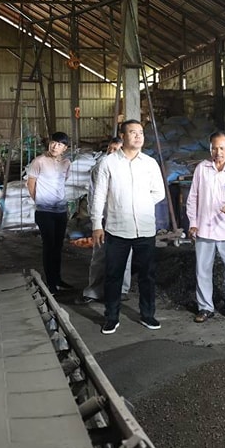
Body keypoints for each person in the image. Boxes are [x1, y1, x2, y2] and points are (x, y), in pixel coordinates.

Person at [90, 120, 166, 335]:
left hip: (145, 229)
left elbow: (159, 192)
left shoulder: (150, 163)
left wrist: (141, 205)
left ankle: (147, 314)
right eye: (133, 132)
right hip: (117, 229)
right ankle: (111, 317)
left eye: (141, 132)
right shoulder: (108, 163)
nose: (138, 136)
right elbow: (99, 196)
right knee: (113, 275)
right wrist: (97, 224)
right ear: (123, 136)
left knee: (147, 275)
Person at [187, 131, 225, 324]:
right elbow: (193, 198)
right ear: (210, 148)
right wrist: (193, 223)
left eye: (222, 148)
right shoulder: (202, 169)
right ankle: (205, 307)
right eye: (214, 148)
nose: (218, 152)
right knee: (203, 270)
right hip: (204, 229)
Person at [80, 137, 132, 304]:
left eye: (116, 150)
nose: (112, 152)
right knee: (100, 255)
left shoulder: (130, 168)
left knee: (125, 254)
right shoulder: (100, 167)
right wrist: (97, 220)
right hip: (104, 218)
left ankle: (122, 289)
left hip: (124, 217)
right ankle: (94, 291)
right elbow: (94, 195)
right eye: (110, 149)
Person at [27, 132, 72, 293]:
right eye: (53, 142)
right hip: (44, 212)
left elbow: (62, 181)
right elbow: (31, 184)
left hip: (61, 211)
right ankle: (51, 283)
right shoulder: (39, 161)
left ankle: (58, 279)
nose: (55, 146)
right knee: (49, 246)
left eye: (59, 144)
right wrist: (40, 200)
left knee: (58, 246)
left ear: (65, 148)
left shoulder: (66, 163)